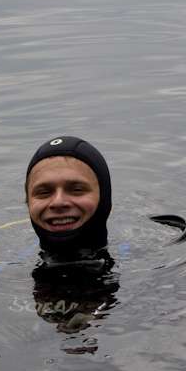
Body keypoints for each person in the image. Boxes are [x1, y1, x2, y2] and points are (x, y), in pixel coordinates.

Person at [25, 136, 120, 342]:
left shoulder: (154, 263)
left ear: (105, 199)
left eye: (76, 189)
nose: (58, 202)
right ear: (28, 203)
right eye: (43, 192)